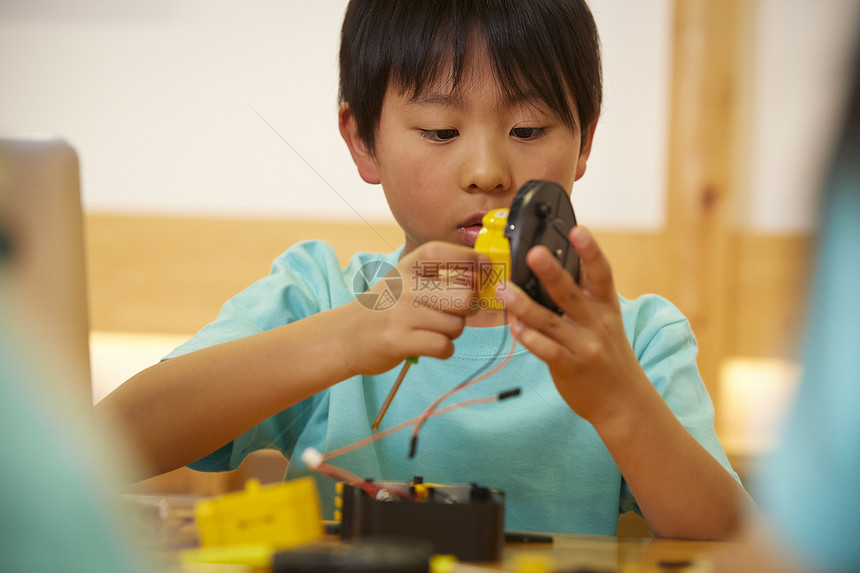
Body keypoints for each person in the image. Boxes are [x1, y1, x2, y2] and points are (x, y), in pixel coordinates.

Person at [97, 0, 749, 539]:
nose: (488, 171)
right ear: (362, 140)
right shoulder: (322, 294)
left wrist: (619, 399)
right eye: (440, 131)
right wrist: (351, 332)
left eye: (529, 128)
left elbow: (732, 540)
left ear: (586, 143)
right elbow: (109, 443)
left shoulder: (632, 338)